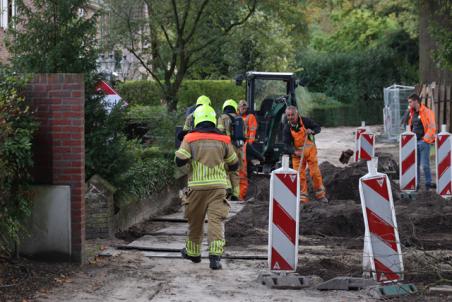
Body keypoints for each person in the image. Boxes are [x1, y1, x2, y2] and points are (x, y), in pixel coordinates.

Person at [175, 105, 239, 270]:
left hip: (196, 188)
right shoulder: (224, 139)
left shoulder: (189, 138)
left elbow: (180, 161)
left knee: (195, 220)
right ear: (213, 120)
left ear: (197, 119)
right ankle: (215, 256)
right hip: (218, 188)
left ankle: (194, 252)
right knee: (216, 221)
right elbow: (234, 164)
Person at [283, 105, 328, 203]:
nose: (290, 117)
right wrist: (294, 151)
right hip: (297, 155)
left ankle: (320, 195)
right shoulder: (287, 128)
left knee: (315, 173)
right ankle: (303, 197)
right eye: (288, 115)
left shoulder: (306, 121)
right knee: (299, 176)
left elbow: (318, 127)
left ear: (297, 114)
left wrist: (312, 131)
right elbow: (286, 145)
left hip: (310, 151)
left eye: (292, 115)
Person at [406, 93, 436, 190]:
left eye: (410, 102)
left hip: (423, 142)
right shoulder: (412, 113)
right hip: (414, 142)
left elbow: (432, 128)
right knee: (416, 165)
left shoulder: (427, 112)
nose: (409, 104)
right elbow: (411, 127)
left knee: (425, 165)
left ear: (416, 101)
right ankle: (417, 184)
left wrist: (425, 139)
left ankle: (428, 183)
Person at [217, 99, 243, 201]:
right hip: (238, 148)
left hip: (226, 146)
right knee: (235, 171)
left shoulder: (222, 118)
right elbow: (244, 136)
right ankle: (236, 194)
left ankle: (227, 187)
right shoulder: (239, 118)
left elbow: (219, 132)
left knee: (223, 167)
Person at [237, 99, 258, 200]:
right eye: (242, 107)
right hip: (238, 145)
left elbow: (252, 132)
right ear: (238, 108)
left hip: (245, 145)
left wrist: (248, 145)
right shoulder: (236, 117)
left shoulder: (250, 117)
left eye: (245, 107)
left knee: (243, 171)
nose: (243, 109)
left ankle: (241, 195)